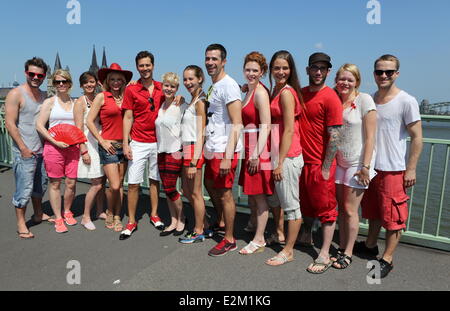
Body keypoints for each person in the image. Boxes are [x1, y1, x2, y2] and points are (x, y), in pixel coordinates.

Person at [358, 54, 423, 278]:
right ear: (374, 73)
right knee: (374, 211)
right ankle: (370, 245)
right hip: (372, 168)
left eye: (388, 72)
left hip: (393, 168)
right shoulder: (370, 99)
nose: (383, 75)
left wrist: (411, 168)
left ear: (396, 73)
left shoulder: (407, 101)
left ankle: (387, 258)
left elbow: (417, 137)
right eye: (379, 71)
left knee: (394, 216)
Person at [299, 52, 343, 274]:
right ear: (307, 70)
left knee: (326, 210)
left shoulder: (331, 97)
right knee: (306, 205)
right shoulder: (302, 93)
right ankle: (306, 235)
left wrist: (326, 167)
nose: (318, 72)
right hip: (302, 162)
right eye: (314, 68)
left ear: (328, 72)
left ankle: (324, 253)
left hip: (320, 164)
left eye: (323, 69)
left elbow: (335, 136)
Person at [332, 64, 377, 269]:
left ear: (357, 81)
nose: (345, 83)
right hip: (339, 161)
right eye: (342, 79)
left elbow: (370, 137)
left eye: (350, 79)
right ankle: (342, 246)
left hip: (357, 163)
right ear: (336, 79)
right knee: (341, 208)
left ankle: (347, 252)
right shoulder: (335, 99)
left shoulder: (364, 100)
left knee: (351, 210)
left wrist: (365, 167)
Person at [119, 51, 165, 240]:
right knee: (134, 184)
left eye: (147, 65)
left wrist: (179, 99)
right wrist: (125, 143)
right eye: (141, 66)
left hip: (158, 142)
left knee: (155, 180)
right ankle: (131, 221)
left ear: (153, 65)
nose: (145, 68)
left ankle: (154, 215)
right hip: (138, 142)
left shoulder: (163, 88)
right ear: (137, 67)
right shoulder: (131, 89)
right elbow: (128, 116)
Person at [264, 50, 304, 265]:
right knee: (279, 200)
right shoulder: (276, 90)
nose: (281, 72)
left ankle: (288, 251)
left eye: (285, 68)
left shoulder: (287, 93)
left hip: (287, 156)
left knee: (291, 205)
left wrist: (279, 162)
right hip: (278, 154)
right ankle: (281, 237)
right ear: (271, 69)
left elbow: (289, 130)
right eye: (277, 68)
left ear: (291, 70)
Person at [203, 43, 243, 257]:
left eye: (214, 59)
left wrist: (228, 157)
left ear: (224, 61)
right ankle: (220, 220)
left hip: (224, 151)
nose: (210, 62)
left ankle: (229, 239)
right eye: (207, 58)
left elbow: (237, 123)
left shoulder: (228, 85)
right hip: (211, 147)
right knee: (209, 185)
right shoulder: (214, 85)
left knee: (226, 193)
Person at [5, 57, 51, 238]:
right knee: (24, 189)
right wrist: (23, 148)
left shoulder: (44, 96)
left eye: (39, 75)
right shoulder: (16, 94)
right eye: (32, 74)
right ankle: (21, 223)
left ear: (44, 76)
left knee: (40, 185)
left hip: (42, 149)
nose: (35, 77)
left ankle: (38, 214)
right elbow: (10, 124)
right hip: (25, 151)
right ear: (26, 73)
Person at [87, 63, 132, 233]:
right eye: (112, 79)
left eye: (119, 79)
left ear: (123, 81)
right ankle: (110, 211)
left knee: (120, 184)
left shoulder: (127, 96)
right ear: (107, 81)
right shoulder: (102, 97)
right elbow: (89, 121)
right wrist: (102, 141)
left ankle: (117, 215)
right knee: (113, 185)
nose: (115, 82)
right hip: (109, 146)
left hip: (125, 145)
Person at [237, 52, 273, 255]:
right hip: (249, 146)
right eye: (247, 70)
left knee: (259, 197)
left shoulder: (260, 93)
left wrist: (256, 154)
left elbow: (266, 125)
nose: (250, 73)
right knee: (252, 194)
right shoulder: (250, 90)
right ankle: (254, 225)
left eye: (255, 71)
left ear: (262, 72)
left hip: (257, 149)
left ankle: (259, 239)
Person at [36, 69, 79, 234]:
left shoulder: (75, 103)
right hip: (54, 147)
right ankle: (58, 217)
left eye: (64, 81)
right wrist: (55, 141)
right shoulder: (50, 102)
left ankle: (67, 211)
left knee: (71, 183)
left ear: (69, 83)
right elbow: (40, 125)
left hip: (72, 148)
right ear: (53, 84)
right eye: (57, 82)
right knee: (55, 183)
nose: (61, 84)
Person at [178, 65, 212, 244]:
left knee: (196, 193)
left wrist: (193, 161)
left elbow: (201, 132)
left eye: (191, 78)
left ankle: (198, 230)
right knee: (187, 190)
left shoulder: (200, 101)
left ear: (200, 79)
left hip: (193, 149)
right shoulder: (192, 100)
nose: (187, 82)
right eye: (185, 79)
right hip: (186, 148)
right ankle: (205, 224)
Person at [155, 72, 187, 237]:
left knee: (170, 188)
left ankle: (182, 218)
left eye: (172, 86)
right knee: (166, 189)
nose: (169, 88)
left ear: (177, 88)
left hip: (175, 151)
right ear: (162, 86)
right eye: (166, 85)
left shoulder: (181, 105)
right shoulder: (161, 105)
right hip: (161, 151)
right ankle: (173, 220)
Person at [74, 71, 106, 231]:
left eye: (92, 82)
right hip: (89, 143)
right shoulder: (80, 102)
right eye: (86, 83)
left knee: (101, 180)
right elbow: (78, 128)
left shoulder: (98, 97)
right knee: (96, 183)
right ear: (81, 85)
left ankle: (100, 211)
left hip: (100, 141)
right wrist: (83, 150)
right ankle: (86, 216)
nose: (89, 85)